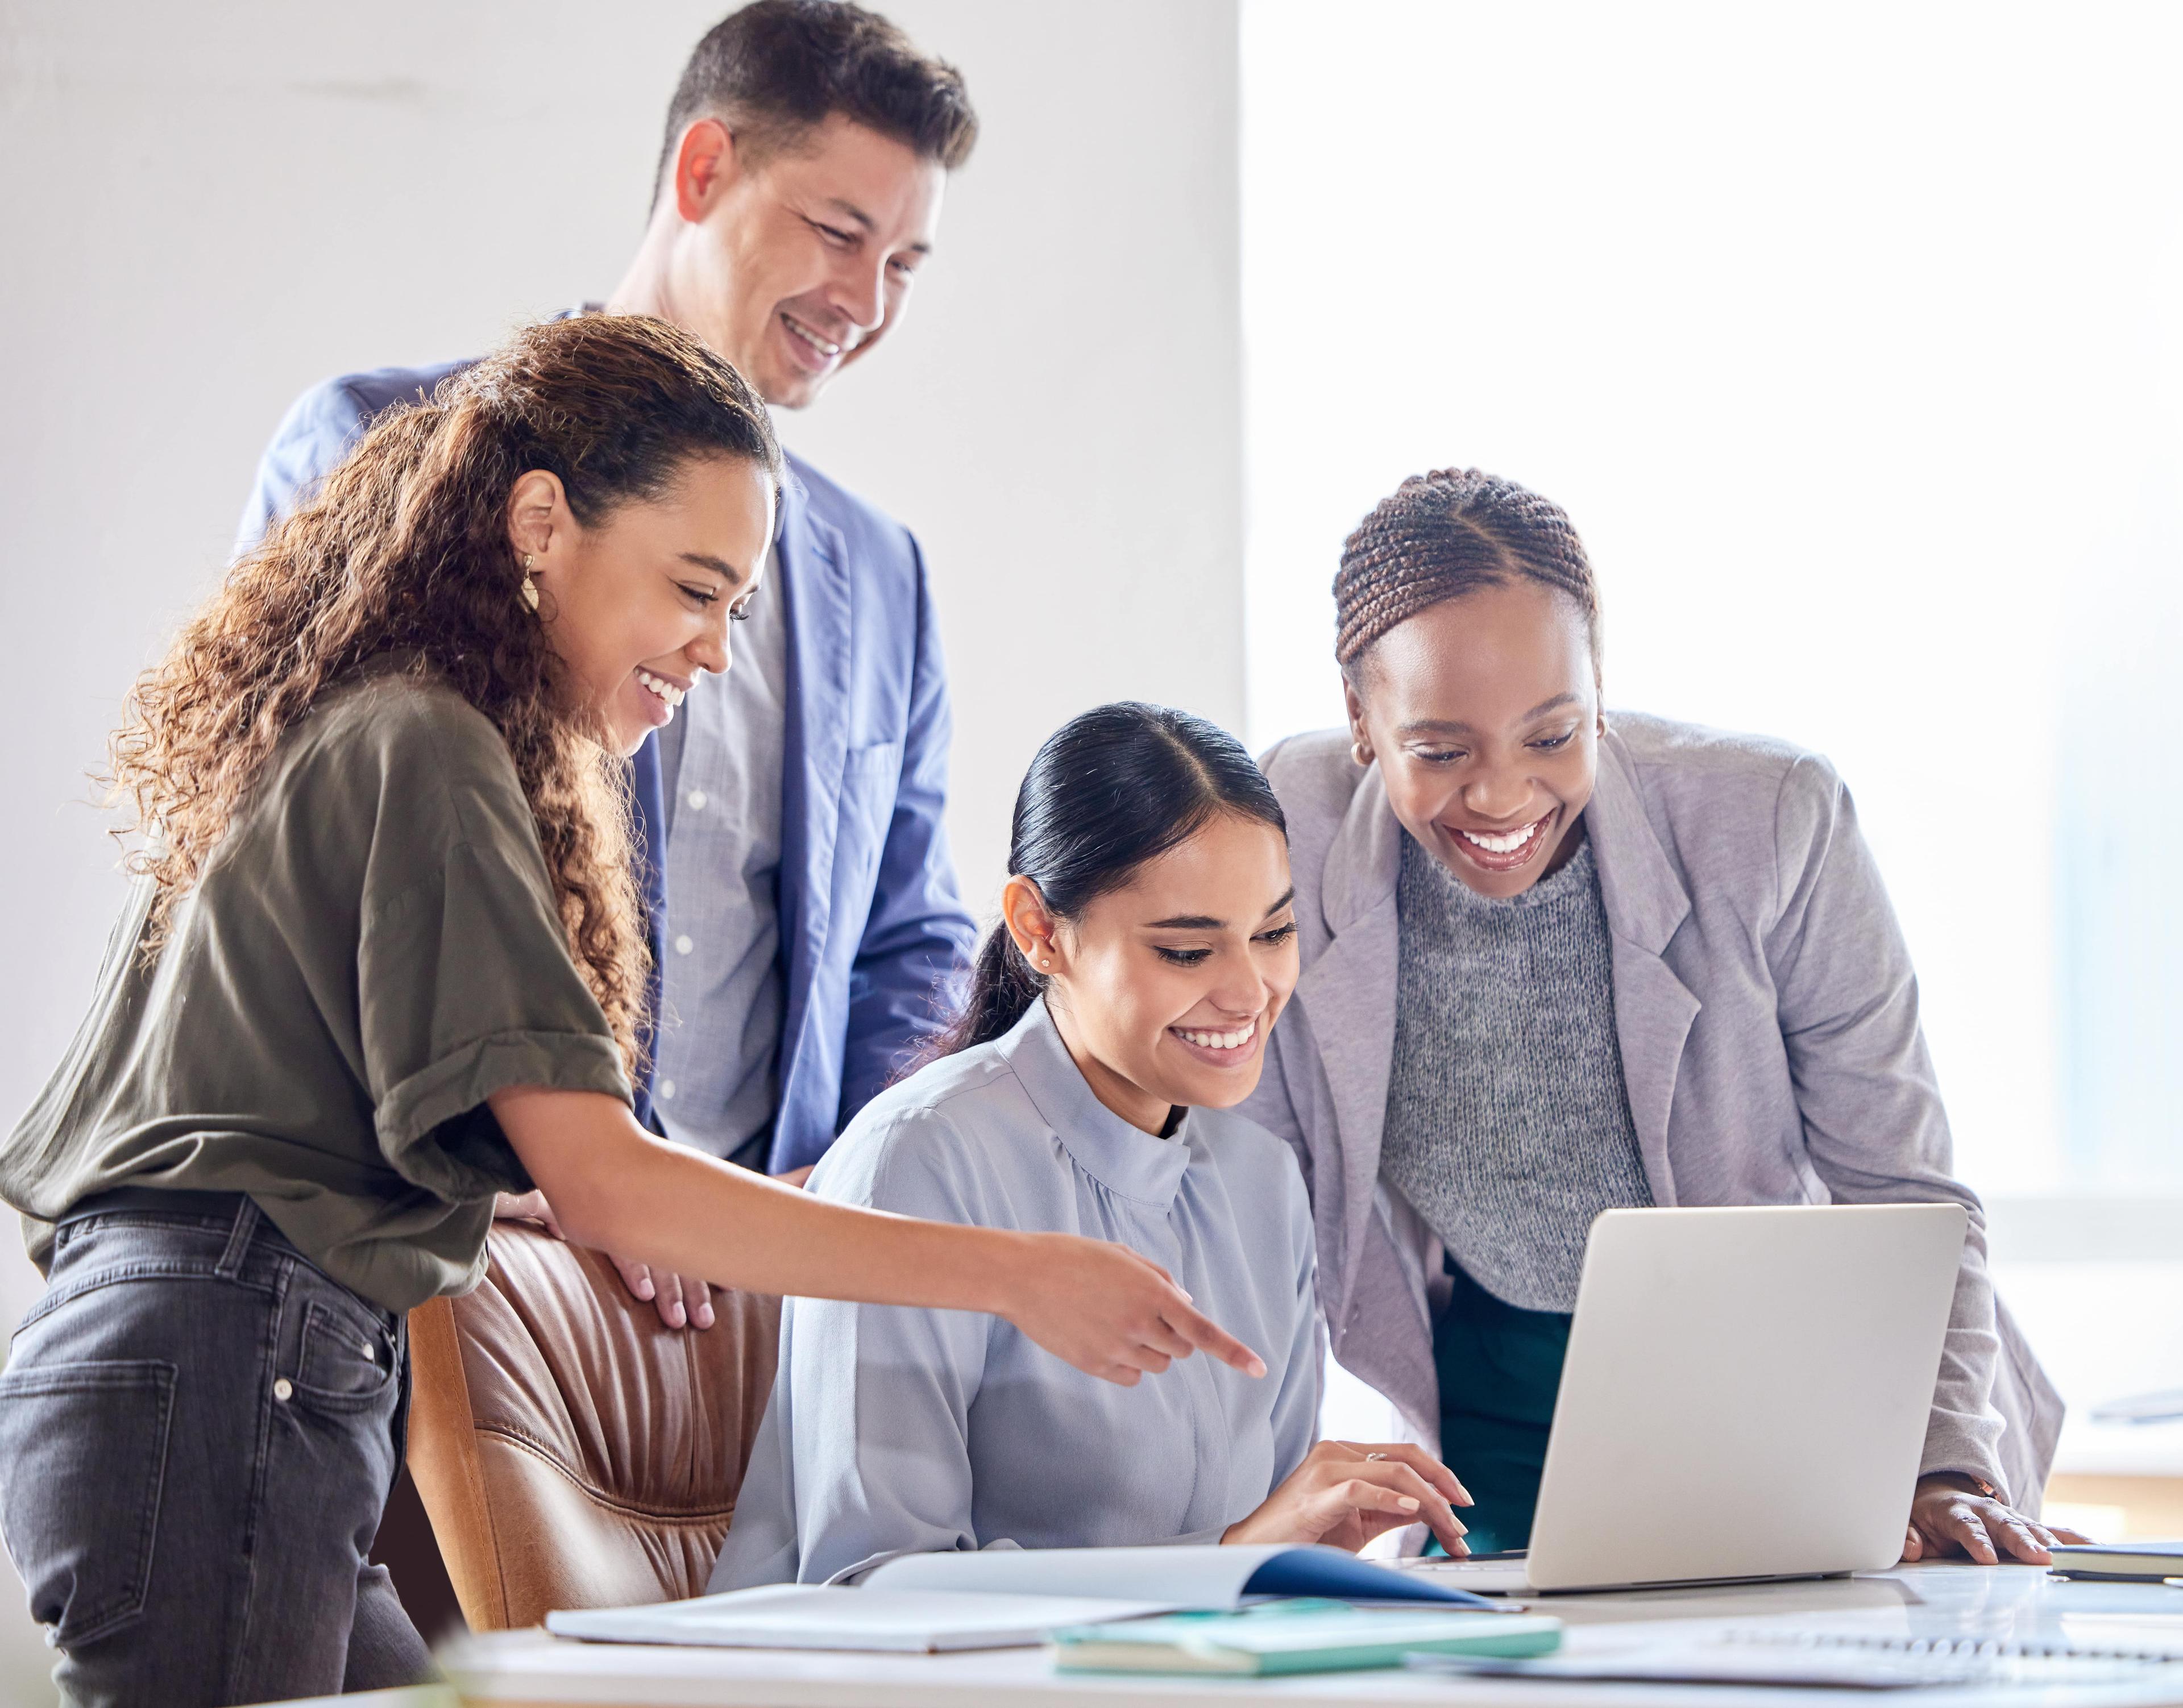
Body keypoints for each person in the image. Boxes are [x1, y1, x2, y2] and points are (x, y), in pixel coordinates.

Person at [0, 319, 1261, 1708]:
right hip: (227, 1358)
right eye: (695, 590)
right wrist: (1017, 1275)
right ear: (541, 523)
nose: (716, 650)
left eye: (739, 610)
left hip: (210, 1355)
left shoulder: (370, 724)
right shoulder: (432, 746)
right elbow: (611, 1186)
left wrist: (512, 1186)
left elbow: (352, 1113)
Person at [239, 0, 981, 1328]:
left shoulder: (883, 575)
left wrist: (846, 1188)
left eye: (907, 264)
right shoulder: (393, 445)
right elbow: (278, 860)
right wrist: (528, 1164)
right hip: (451, 1267)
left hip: (755, 1307)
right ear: (704, 170)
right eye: (838, 232)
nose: (867, 304)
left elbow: (910, 939)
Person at [1242, 468, 2076, 1565]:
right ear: (1361, 719)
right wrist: (1243, 1509)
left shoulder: (1773, 820)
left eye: (1552, 735)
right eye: (1441, 751)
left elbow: (1904, 1189)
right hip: (1493, 1392)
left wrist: (1944, 1464)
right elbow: (1254, 1200)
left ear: (1599, 689)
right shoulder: (1285, 825)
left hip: (1795, 1377)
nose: (1502, 796)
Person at [711, 704, 1474, 1589]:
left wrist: (1305, 1550)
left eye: (1273, 933)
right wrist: (1234, 1556)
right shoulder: (914, 1161)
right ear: (1039, 929)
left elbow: (1256, 1552)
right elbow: (869, 1583)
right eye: (1186, 950)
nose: (1250, 991)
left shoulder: (1263, 1180)